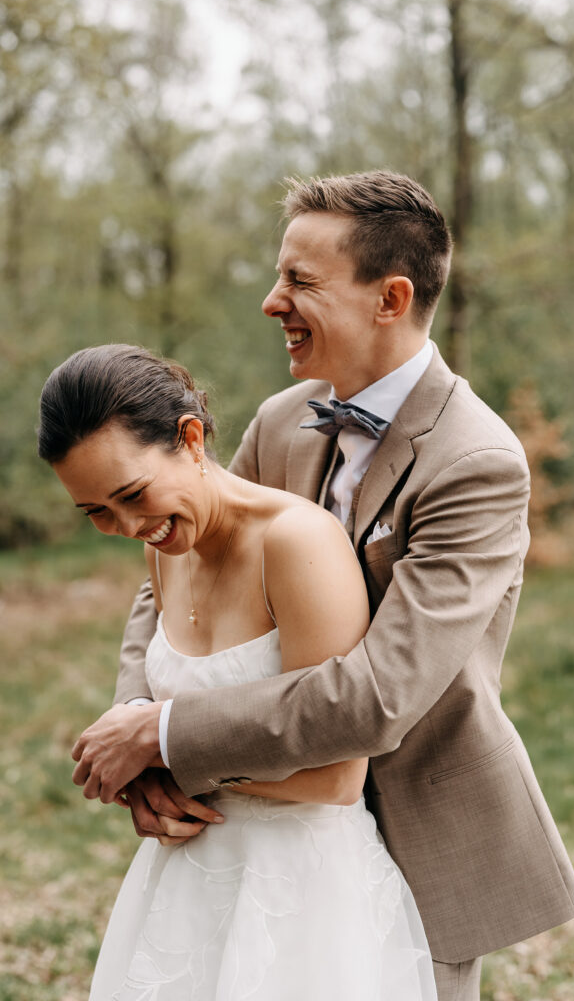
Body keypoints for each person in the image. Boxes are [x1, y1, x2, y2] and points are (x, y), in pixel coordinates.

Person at [69, 170, 574, 1001]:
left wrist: (172, 738)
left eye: (300, 281)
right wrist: (138, 725)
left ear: (390, 298)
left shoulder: (475, 462)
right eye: (279, 276)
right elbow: (178, 566)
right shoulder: (282, 421)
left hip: (418, 834)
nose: (272, 301)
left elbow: (381, 694)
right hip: (259, 830)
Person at [38, 343, 439, 1000]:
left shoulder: (297, 543)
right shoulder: (167, 547)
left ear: (190, 438)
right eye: (97, 513)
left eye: (132, 494)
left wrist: (157, 751)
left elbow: (336, 778)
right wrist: (141, 761)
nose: (129, 525)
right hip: (181, 896)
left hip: (300, 907)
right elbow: (151, 676)